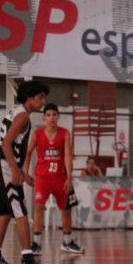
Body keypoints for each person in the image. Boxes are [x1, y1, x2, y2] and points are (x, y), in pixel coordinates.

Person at [0, 80, 48, 264]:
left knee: (5, 211)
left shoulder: (16, 112)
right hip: (2, 163)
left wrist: (22, 171)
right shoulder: (23, 117)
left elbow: (9, 146)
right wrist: (15, 170)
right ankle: (27, 258)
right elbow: (6, 143)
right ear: (30, 98)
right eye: (40, 97)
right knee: (20, 210)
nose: (43, 100)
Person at [21, 103, 84, 255]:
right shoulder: (37, 134)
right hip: (43, 178)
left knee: (66, 209)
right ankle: (36, 244)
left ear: (58, 116)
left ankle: (67, 242)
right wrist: (25, 173)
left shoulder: (65, 133)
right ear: (43, 117)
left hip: (60, 178)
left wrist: (69, 176)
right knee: (38, 208)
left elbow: (68, 155)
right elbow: (28, 152)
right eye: (48, 115)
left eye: (54, 114)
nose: (51, 118)